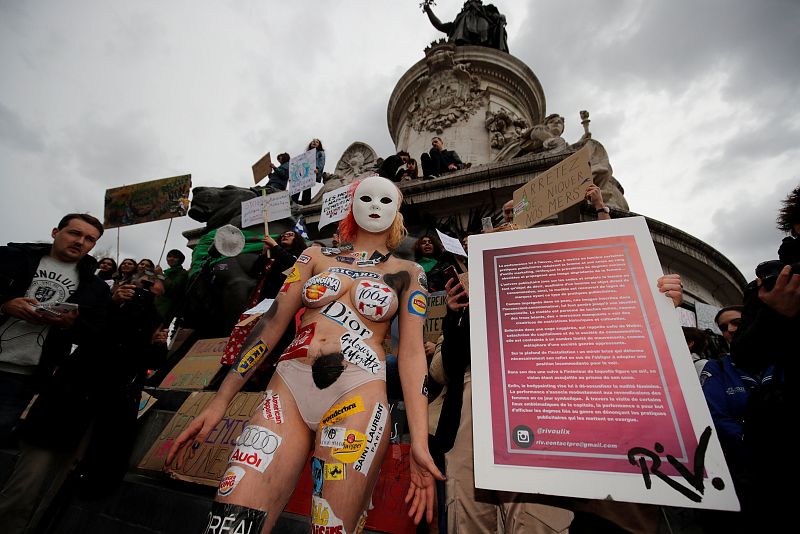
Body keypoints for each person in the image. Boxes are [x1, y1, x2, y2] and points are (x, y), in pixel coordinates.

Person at [167, 176, 444, 533]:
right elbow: (270, 326)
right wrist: (220, 401)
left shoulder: (409, 272)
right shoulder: (313, 256)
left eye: (386, 201)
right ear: (352, 205)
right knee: (231, 522)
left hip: (358, 397)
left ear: (397, 213)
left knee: (331, 527)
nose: (376, 206)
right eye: (367, 197)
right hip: (286, 394)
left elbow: (411, 356)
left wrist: (419, 442)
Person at [0, 213, 112, 533]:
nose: (80, 242)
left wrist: (72, 324)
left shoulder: (95, 287)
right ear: (55, 231)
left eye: (89, 239)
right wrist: (6, 304)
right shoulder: (11, 257)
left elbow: (96, 332)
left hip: (33, 378)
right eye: (74, 233)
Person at [155, 249, 189, 327]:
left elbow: (173, 288)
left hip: (167, 308)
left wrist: (161, 275)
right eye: (169, 256)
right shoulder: (166, 272)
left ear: (180, 260)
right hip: (156, 306)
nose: (171, 259)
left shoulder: (182, 273)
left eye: (175, 257)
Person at [295, 139, 326, 205]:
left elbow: (321, 162)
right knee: (298, 186)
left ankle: (305, 202)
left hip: (312, 171)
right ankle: (294, 200)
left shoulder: (320, 152)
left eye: (317, 142)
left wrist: (318, 168)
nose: (314, 142)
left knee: (307, 186)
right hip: (304, 172)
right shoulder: (306, 154)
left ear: (319, 145)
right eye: (313, 141)